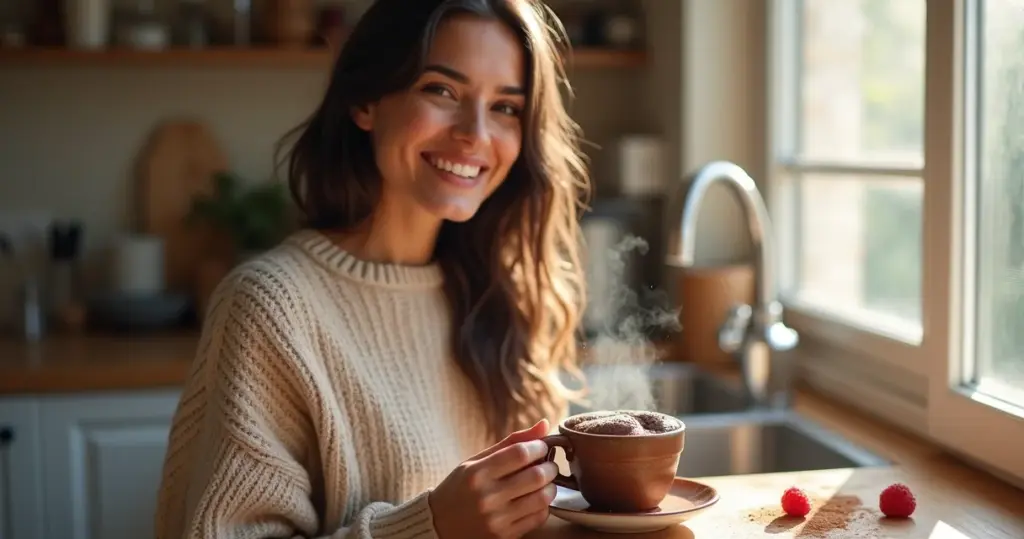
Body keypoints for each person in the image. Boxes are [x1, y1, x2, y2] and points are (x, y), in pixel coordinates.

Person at [153, 0, 591, 538]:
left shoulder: (502, 294)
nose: (476, 133)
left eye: (505, 107)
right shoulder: (269, 307)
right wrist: (430, 528)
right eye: (442, 90)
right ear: (365, 100)